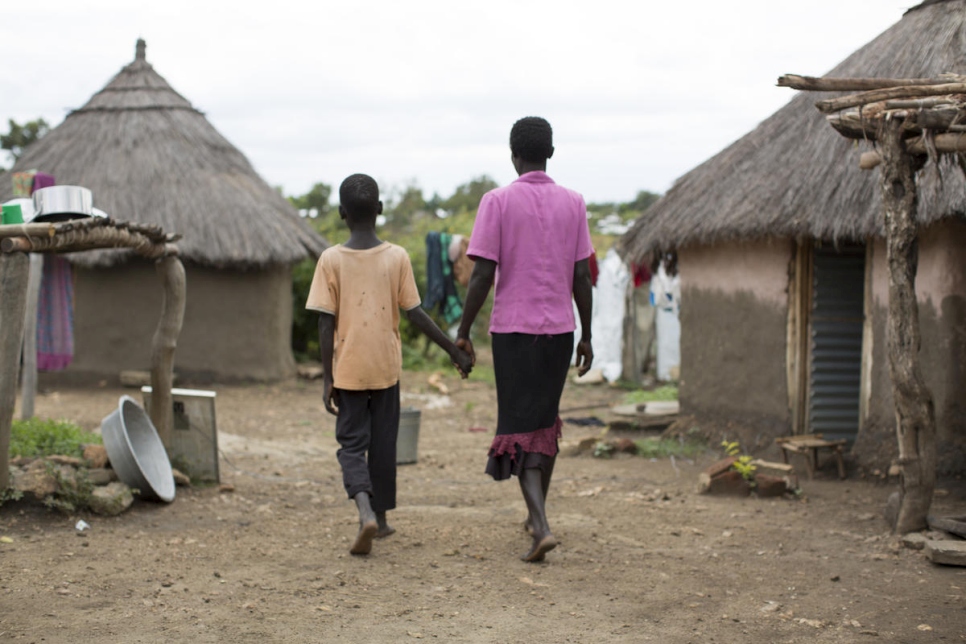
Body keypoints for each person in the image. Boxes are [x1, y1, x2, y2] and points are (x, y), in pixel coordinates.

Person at [306, 173, 474, 556]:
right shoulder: (396, 256)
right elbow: (415, 314)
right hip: (385, 368)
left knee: (351, 445)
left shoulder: (330, 259)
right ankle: (379, 520)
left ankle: (365, 512)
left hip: (348, 370)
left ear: (341, 213)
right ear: (379, 210)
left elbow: (324, 320)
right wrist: (453, 349)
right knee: (383, 445)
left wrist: (327, 377)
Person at [456, 117, 594, 563]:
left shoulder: (496, 202)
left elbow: (481, 275)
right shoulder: (574, 203)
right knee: (544, 423)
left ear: (513, 155)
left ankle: (541, 525)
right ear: (550, 153)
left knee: (517, 428)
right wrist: (586, 335)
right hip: (559, 331)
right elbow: (580, 277)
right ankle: (537, 516)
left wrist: (462, 330)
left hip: (513, 333)